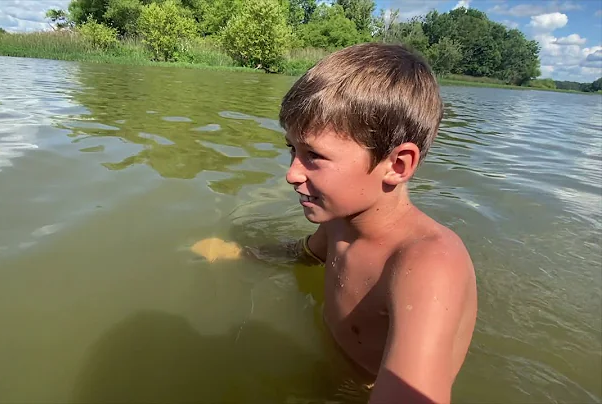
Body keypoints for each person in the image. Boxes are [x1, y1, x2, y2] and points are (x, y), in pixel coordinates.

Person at [191, 43, 478, 404]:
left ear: (398, 164)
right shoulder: (339, 223)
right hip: (328, 364)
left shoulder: (428, 266)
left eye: (314, 155)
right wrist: (239, 252)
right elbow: (305, 255)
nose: (291, 173)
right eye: (291, 150)